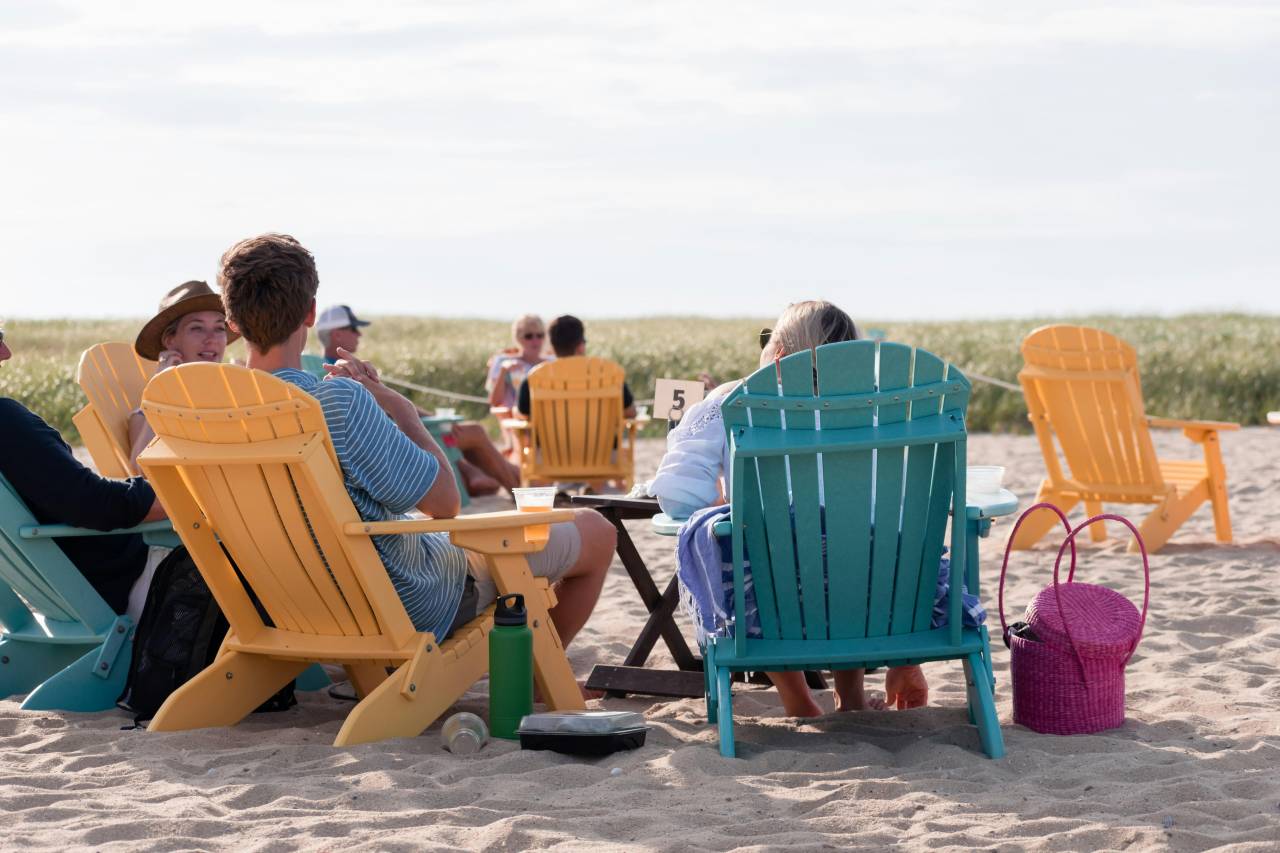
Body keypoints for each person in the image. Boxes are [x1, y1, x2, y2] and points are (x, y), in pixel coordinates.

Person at [216, 233, 615, 660]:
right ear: (311, 313)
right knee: (597, 529)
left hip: (288, 605)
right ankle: (541, 683)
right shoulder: (334, 402)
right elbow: (444, 505)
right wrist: (401, 409)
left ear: (233, 322)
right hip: (406, 602)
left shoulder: (212, 415)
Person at [650, 300, 930, 717]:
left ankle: (798, 700)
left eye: (767, 339)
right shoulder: (874, 410)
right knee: (847, 535)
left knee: (757, 543)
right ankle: (852, 696)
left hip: (774, 604)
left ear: (778, 354)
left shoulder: (732, 399)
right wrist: (904, 656)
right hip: (879, 602)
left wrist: (724, 506)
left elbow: (675, 491)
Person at [0, 326, 167, 620]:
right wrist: (190, 493)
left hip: (60, 598)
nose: (7, 353)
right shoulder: (5, 422)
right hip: (127, 582)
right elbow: (96, 503)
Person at [127, 281, 235, 467]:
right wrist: (162, 388)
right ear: (170, 340)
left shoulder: (239, 395)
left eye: (219, 328)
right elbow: (140, 470)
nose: (211, 339)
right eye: (197, 328)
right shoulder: (147, 414)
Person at [515, 315, 636, 419]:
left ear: (551, 346)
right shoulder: (611, 375)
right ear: (581, 346)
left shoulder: (533, 379)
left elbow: (524, 416)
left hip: (550, 447)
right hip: (603, 446)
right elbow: (630, 413)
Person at [486, 314, 551, 412]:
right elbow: (495, 402)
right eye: (529, 336)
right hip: (517, 421)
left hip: (549, 416)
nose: (535, 340)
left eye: (540, 335)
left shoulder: (553, 363)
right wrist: (503, 371)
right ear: (518, 338)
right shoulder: (503, 362)